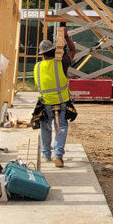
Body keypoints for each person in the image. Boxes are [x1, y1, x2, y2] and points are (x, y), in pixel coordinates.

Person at [34, 33, 76, 167]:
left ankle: (46, 154)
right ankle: (58, 155)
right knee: (61, 126)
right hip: (62, 101)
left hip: (45, 102)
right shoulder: (62, 62)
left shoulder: (38, 67)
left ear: (42, 54)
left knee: (46, 128)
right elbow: (73, 51)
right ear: (54, 51)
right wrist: (67, 37)